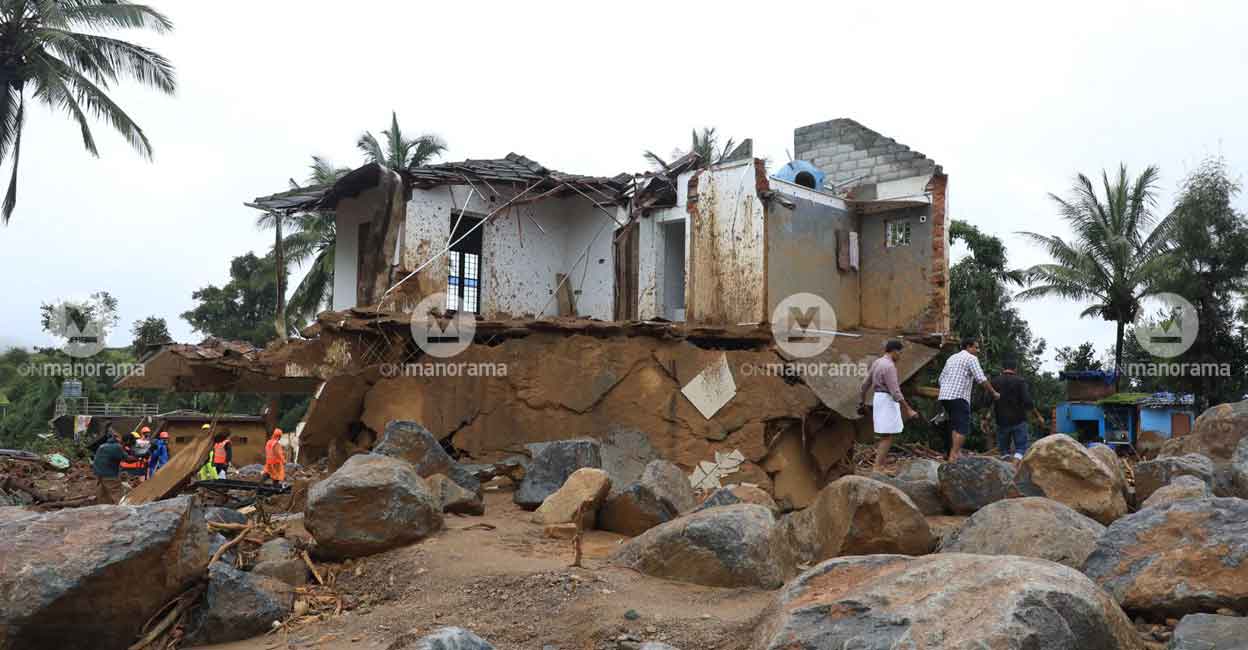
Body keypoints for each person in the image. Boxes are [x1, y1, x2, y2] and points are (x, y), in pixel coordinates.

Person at [859, 339, 919, 473]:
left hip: (878, 399)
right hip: (887, 400)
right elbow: (895, 392)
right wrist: (908, 409)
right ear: (894, 351)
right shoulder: (889, 366)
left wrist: (862, 401)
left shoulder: (877, 362)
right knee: (887, 435)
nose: (900, 356)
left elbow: (864, 385)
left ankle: (880, 464)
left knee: (885, 434)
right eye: (900, 353)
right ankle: (878, 466)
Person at [937, 337, 1000, 461]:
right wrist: (993, 392)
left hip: (944, 396)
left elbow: (940, 379)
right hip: (959, 396)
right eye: (976, 347)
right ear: (968, 347)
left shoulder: (952, 358)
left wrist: (947, 389)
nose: (978, 350)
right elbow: (981, 378)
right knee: (961, 426)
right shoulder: (971, 358)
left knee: (953, 425)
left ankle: (952, 452)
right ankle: (954, 455)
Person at [991, 357, 1046, 461]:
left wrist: (985, 418)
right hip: (1019, 420)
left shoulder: (995, 382)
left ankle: (1007, 470)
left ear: (1002, 368)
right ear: (1015, 369)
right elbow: (1028, 401)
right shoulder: (1020, 381)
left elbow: (989, 401)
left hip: (1001, 420)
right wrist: (1038, 416)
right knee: (1021, 448)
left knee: (1004, 450)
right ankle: (1016, 465)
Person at [92, 432, 136, 504]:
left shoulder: (104, 445)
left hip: (99, 474)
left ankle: (104, 512)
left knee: (104, 496)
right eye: (131, 443)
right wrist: (138, 456)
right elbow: (129, 460)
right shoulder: (117, 447)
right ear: (128, 441)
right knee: (119, 496)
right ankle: (123, 512)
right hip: (109, 475)